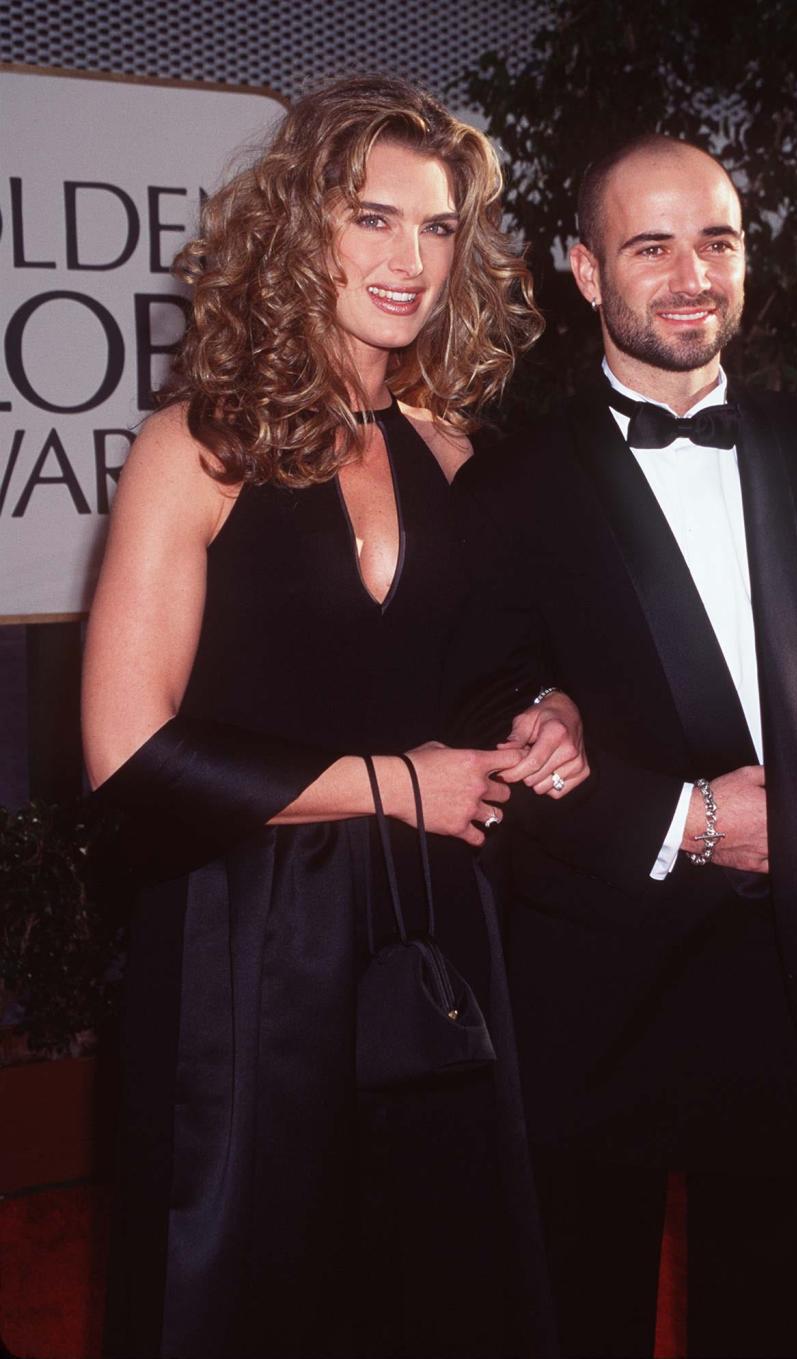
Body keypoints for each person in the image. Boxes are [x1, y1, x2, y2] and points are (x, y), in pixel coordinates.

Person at [81, 74, 586, 1359]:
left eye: (436, 227)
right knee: (250, 1295)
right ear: (302, 227)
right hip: (249, 944)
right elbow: (130, 755)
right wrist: (387, 783)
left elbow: (481, 684)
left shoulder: (457, 451)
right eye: (373, 219)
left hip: (437, 932)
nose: (409, 260)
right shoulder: (196, 446)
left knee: (435, 1293)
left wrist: (548, 715)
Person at [452, 134, 797, 1358]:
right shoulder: (505, 489)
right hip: (594, 987)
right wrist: (685, 819)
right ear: (582, 269)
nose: (689, 275)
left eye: (715, 240)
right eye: (648, 245)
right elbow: (488, 746)